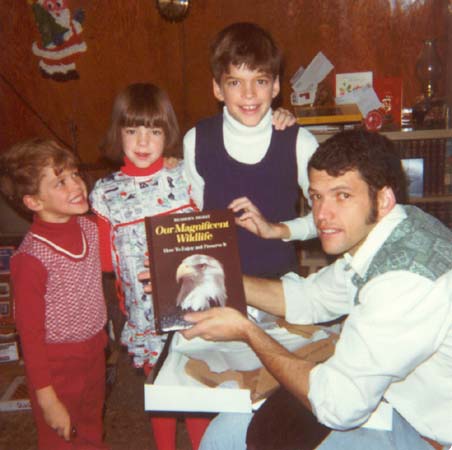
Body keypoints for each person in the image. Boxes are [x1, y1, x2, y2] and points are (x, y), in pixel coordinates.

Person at [182, 130, 452, 450]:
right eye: (317, 197)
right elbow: (311, 298)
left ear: (383, 199)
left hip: (426, 435)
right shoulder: (395, 229)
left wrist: (248, 332)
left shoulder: (404, 281)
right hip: (394, 404)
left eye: (342, 196)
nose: (322, 215)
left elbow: (337, 406)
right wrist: (211, 276)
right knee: (227, 429)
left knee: (226, 439)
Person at [89, 82, 209, 450]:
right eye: (132, 130)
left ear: (167, 134)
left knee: (197, 389)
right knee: (160, 393)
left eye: (154, 131)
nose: (143, 141)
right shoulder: (105, 193)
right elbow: (106, 262)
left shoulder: (186, 176)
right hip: (145, 317)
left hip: (194, 306)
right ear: (118, 133)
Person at [183, 23, 319, 311]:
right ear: (217, 88)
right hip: (217, 292)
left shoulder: (300, 142)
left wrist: (277, 229)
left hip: (279, 289)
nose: (249, 94)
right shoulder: (196, 140)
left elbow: (327, 219)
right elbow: (192, 218)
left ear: (276, 86)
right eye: (235, 83)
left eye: (260, 81)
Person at [0, 138, 109, 450]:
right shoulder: (31, 259)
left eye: (75, 174)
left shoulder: (90, 228)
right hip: (56, 364)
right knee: (59, 438)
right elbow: (30, 336)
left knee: (91, 428)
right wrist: (47, 399)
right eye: (60, 182)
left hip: (95, 349)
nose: (76, 185)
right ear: (34, 201)